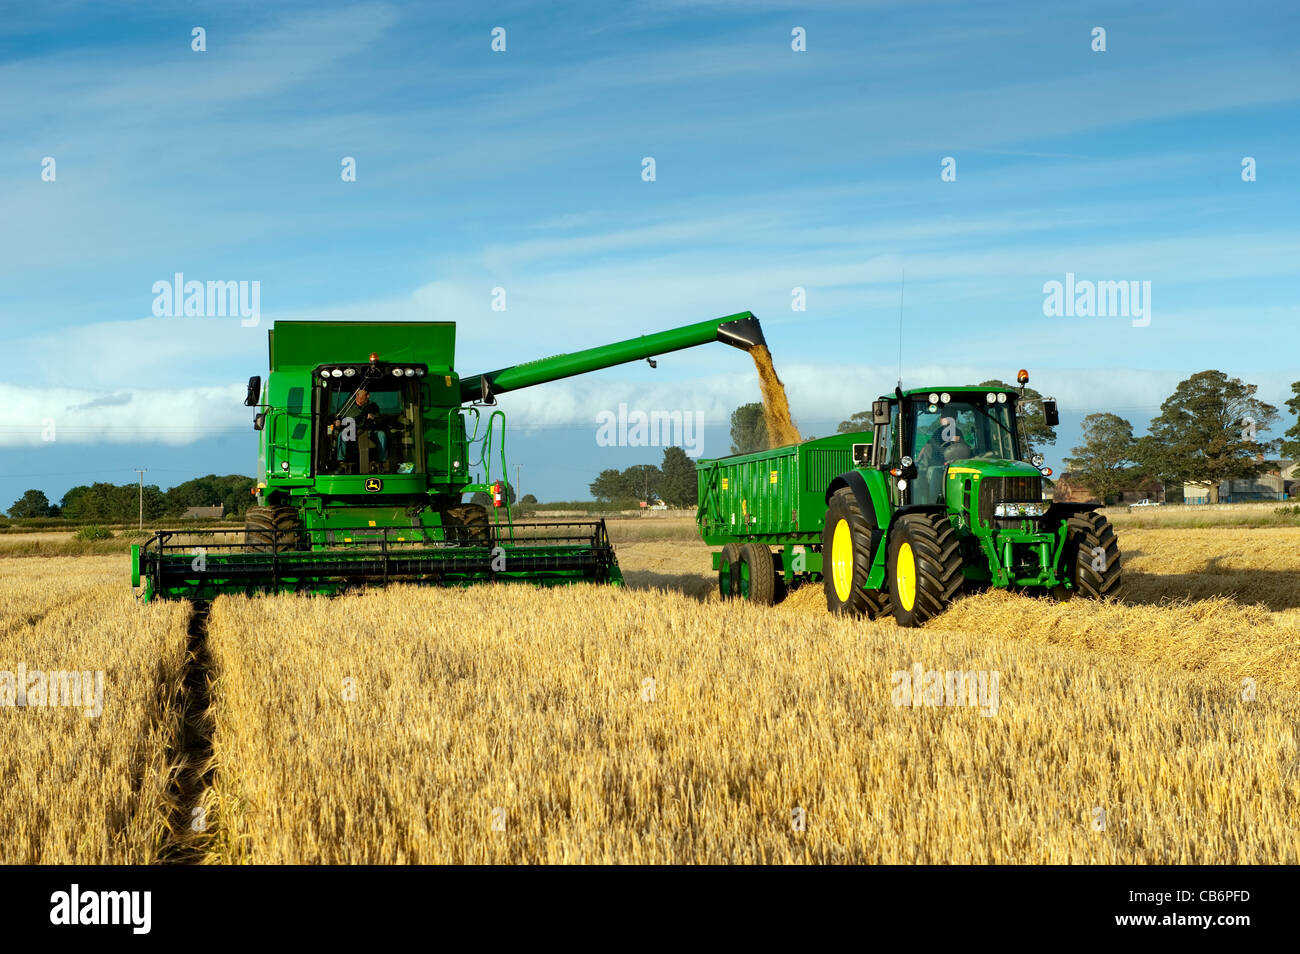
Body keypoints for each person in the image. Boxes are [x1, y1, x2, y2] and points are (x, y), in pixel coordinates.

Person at [332, 389, 388, 468]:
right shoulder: (348, 406)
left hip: (369, 431)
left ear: (367, 396)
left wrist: (373, 417)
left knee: (381, 434)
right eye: (357, 395)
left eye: (361, 395)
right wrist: (337, 422)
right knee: (342, 435)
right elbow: (338, 418)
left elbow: (380, 419)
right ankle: (341, 461)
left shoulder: (373, 406)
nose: (358, 396)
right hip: (352, 432)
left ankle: (381, 461)